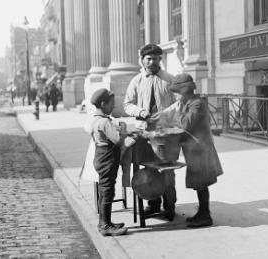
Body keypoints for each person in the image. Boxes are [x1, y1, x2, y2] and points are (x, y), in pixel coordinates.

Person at [149, 73, 224, 227]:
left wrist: (171, 120)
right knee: (198, 182)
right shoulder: (186, 102)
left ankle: (205, 215)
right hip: (193, 150)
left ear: (184, 90)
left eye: (176, 92)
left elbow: (185, 125)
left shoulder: (197, 103)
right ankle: (202, 212)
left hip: (201, 149)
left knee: (202, 182)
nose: (174, 96)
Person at [124, 43, 177, 220]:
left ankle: (169, 206)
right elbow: (127, 104)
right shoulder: (136, 81)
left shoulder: (169, 79)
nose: (153, 61)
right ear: (142, 60)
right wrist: (140, 112)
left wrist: (166, 113)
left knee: (167, 170)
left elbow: (180, 102)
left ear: (160, 59)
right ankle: (152, 204)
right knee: (149, 170)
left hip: (166, 135)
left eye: (156, 58)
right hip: (144, 135)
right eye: (149, 58)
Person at [89, 88, 135, 236]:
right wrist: (122, 129)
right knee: (108, 192)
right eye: (111, 104)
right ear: (103, 104)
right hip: (107, 158)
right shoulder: (104, 122)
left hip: (101, 157)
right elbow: (116, 140)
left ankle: (105, 222)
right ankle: (105, 225)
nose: (113, 107)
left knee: (105, 191)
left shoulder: (96, 119)